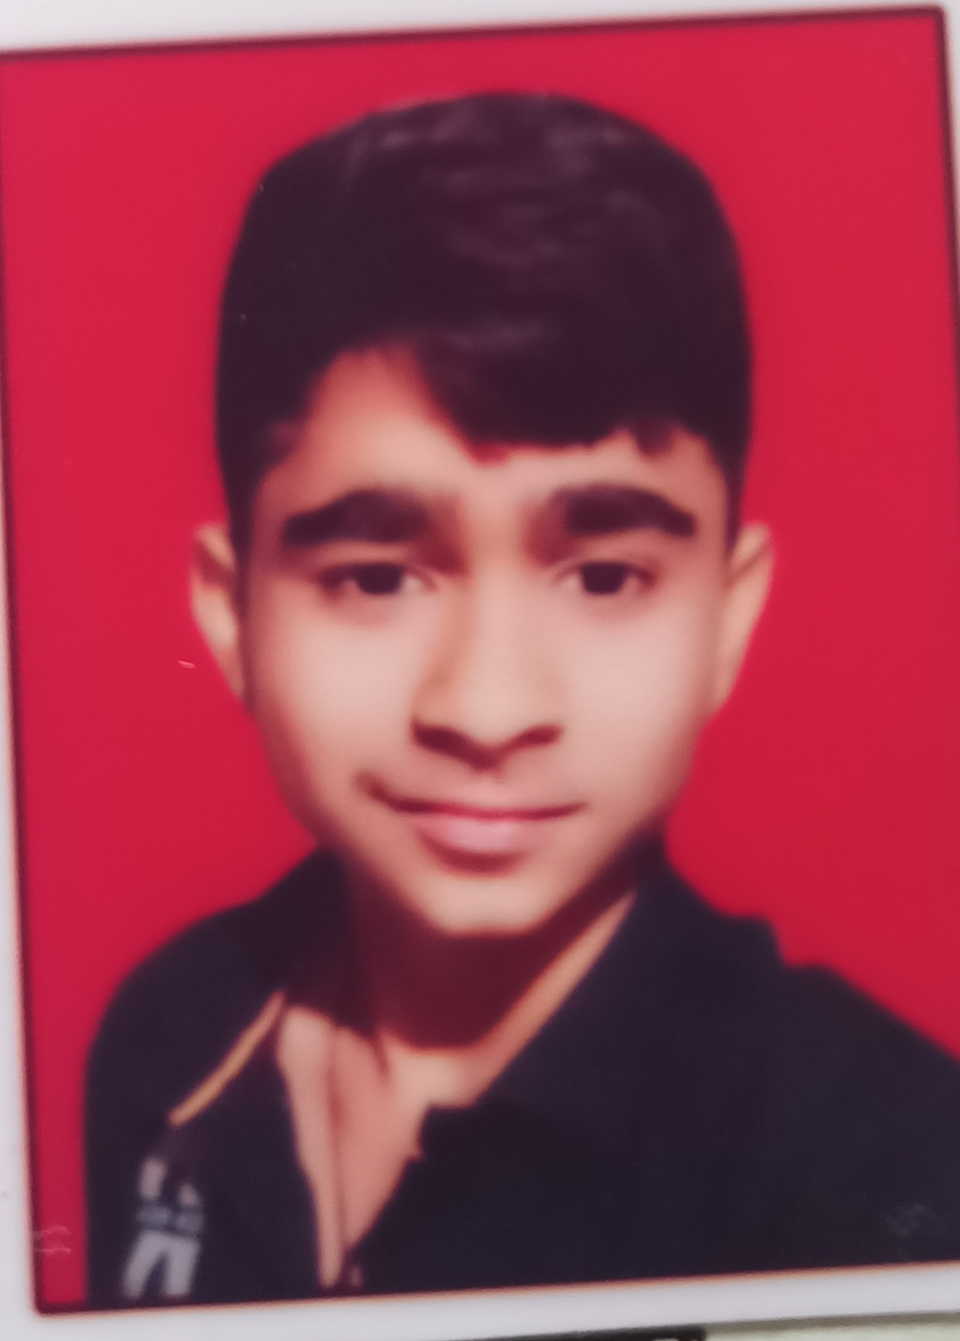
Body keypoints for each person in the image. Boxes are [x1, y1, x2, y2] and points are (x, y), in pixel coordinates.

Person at [85, 91, 960, 1308]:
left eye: (604, 576)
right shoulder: (169, 1035)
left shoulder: (880, 1162)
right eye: (376, 577)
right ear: (235, 616)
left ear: (729, 616)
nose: (488, 709)